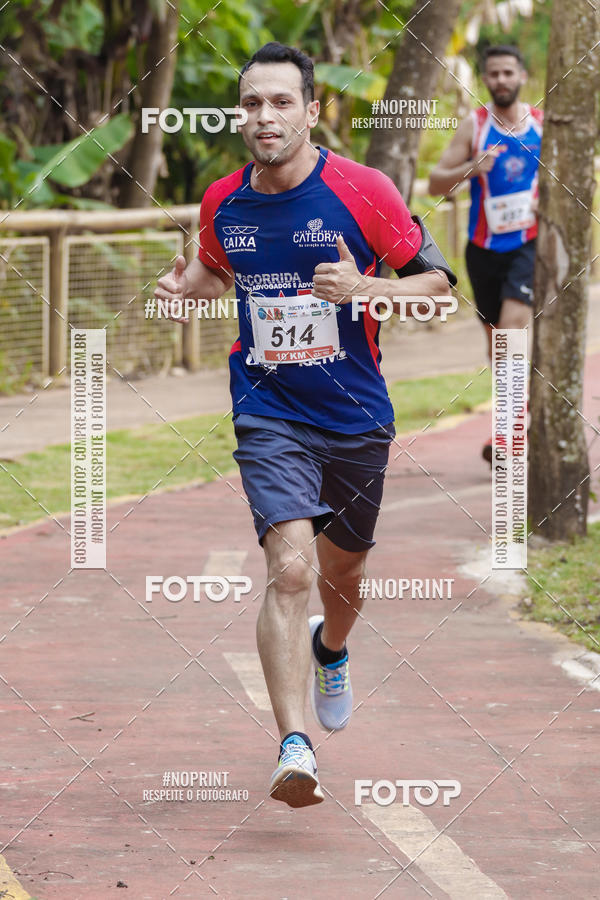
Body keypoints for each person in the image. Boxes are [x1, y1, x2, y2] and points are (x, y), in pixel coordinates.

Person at [155, 41, 455, 809]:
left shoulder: (363, 190)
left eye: (281, 102)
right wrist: (183, 285)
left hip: (355, 415)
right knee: (289, 570)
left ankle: (332, 649)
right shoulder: (223, 199)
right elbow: (214, 266)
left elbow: (438, 288)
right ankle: (295, 746)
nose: (265, 116)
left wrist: (365, 287)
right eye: (252, 103)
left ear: (313, 110)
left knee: (342, 575)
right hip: (268, 409)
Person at [428, 45, 542, 463]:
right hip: (482, 252)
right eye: (493, 74)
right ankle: (519, 417)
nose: (501, 81)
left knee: (512, 331)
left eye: (508, 72)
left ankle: (509, 437)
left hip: (528, 245)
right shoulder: (474, 127)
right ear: (485, 80)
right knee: (498, 344)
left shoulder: (542, 126)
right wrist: (471, 168)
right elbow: (436, 183)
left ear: (522, 75)